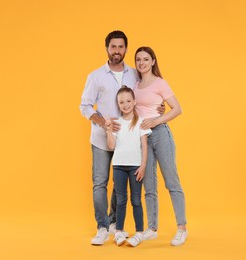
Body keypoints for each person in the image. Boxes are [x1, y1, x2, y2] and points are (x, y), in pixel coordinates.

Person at [80, 30, 137, 245]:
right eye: (113, 47)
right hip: (101, 138)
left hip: (126, 138)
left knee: (120, 182)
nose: (117, 51)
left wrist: (158, 106)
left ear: (125, 49)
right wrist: (102, 121)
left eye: (121, 47)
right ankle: (102, 227)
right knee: (100, 182)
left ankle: (114, 222)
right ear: (107, 49)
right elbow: (85, 106)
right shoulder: (95, 76)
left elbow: (139, 99)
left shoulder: (133, 74)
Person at [133, 46, 188, 246]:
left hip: (160, 134)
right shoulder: (135, 85)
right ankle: (152, 228)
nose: (142, 63)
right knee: (148, 185)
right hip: (142, 138)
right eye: (138, 59)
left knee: (171, 181)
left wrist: (156, 120)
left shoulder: (160, 83)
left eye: (146, 59)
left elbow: (178, 109)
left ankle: (182, 228)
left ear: (153, 61)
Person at [105, 86, 151, 247]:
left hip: (135, 167)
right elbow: (111, 146)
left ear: (134, 101)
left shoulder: (140, 121)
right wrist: (109, 130)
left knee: (136, 200)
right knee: (121, 200)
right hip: (118, 166)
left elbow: (144, 145)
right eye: (121, 102)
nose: (125, 104)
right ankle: (119, 231)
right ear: (118, 104)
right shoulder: (116, 123)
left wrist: (143, 165)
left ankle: (139, 233)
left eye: (128, 101)